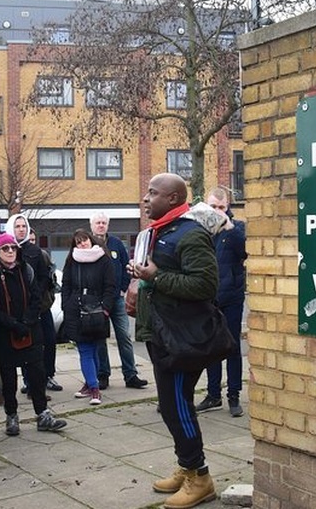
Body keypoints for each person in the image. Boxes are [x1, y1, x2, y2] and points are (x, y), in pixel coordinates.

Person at [130, 173, 220, 509]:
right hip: (162, 333)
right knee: (171, 405)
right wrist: (140, 280)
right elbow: (161, 276)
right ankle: (186, 467)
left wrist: (156, 276)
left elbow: (205, 286)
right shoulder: (159, 232)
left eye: (152, 193)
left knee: (176, 405)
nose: (145, 198)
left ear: (172, 199)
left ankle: (201, 478)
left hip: (184, 337)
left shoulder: (190, 234)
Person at [0, 232, 67, 436]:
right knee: (9, 379)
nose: (10, 252)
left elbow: (36, 298)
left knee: (37, 375)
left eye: (13, 248)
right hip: (5, 333)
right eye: (5, 249)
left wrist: (27, 321)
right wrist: (13, 324)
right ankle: (11, 416)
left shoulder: (27, 270)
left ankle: (43, 415)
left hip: (31, 330)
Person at [196, 187, 247, 417]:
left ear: (228, 207)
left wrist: (230, 227)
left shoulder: (237, 229)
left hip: (232, 296)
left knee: (232, 347)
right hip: (208, 297)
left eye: (221, 207)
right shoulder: (202, 229)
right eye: (213, 207)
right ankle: (213, 394)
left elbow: (244, 251)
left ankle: (234, 395)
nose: (217, 211)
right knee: (210, 348)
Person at [90, 211, 148, 390]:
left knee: (124, 337)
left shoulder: (116, 244)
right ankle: (103, 376)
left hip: (116, 300)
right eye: (98, 222)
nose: (101, 225)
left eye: (103, 222)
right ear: (91, 225)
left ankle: (130, 375)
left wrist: (123, 289)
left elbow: (125, 267)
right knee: (100, 340)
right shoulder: (87, 244)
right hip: (97, 301)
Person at [7, 215, 62, 392]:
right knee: (24, 343)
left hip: (40, 306)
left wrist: (34, 296)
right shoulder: (7, 249)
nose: (21, 229)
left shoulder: (36, 251)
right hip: (19, 308)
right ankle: (28, 380)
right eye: (18, 226)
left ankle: (48, 376)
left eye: (24, 226)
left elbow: (44, 277)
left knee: (48, 340)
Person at [62, 229, 116, 405]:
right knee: (85, 349)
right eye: (78, 242)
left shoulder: (103, 259)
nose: (82, 244)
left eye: (84, 240)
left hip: (97, 310)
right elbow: (66, 284)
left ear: (91, 240)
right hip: (76, 310)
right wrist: (66, 304)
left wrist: (106, 309)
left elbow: (110, 286)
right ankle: (94, 388)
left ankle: (89, 383)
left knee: (94, 349)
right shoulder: (72, 260)